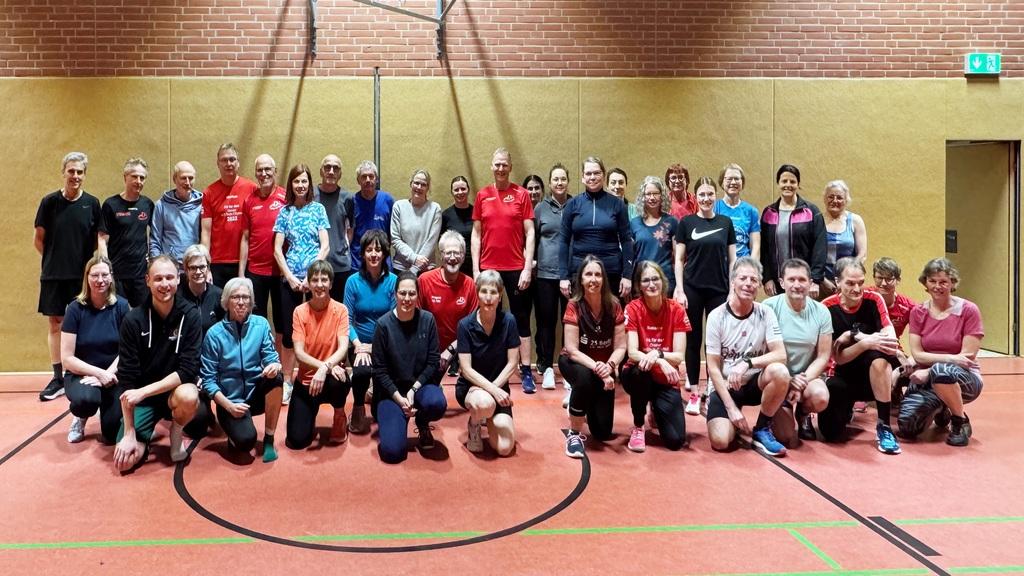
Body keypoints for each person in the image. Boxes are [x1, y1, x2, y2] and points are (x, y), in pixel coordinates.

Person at [113, 255, 203, 472]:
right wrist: (129, 433)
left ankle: (176, 431)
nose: (164, 284)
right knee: (126, 462)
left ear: (178, 279)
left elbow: (188, 370)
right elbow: (126, 379)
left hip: (172, 393)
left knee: (190, 396)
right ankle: (144, 433)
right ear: (148, 281)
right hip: (143, 400)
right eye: (158, 278)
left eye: (170, 278)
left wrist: (143, 391)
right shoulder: (133, 320)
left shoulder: (190, 315)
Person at [35, 152, 104, 402]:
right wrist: (55, 260)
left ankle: (80, 375)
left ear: (85, 175)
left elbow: (98, 240)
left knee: (83, 324)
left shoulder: (92, 204)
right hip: (53, 275)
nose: (75, 176)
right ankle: (58, 379)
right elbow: (39, 240)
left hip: (80, 277)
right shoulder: (49, 202)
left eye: (80, 172)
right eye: (71, 171)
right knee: (55, 323)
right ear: (63, 172)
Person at [705, 257, 790, 456]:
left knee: (780, 371)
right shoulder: (716, 316)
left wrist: (747, 363)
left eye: (753, 280)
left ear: (759, 285)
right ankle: (728, 414)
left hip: (754, 384)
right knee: (721, 441)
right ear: (732, 282)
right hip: (727, 386)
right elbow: (713, 367)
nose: (748, 284)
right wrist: (731, 408)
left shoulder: (766, 313)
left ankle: (762, 428)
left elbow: (780, 354)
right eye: (743, 278)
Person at [817, 257, 902, 454]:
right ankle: (846, 408)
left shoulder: (874, 299)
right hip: (842, 374)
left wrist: (854, 335)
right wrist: (866, 343)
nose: (857, 289)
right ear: (837, 282)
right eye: (850, 283)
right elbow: (838, 357)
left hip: (874, 379)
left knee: (879, 357)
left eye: (860, 283)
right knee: (830, 433)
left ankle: (884, 426)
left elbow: (890, 342)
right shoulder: (826, 308)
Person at [471, 148, 537, 393]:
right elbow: (476, 235)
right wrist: (476, 270)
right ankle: (492, 367)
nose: (500, 168)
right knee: (489, 317)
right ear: (491, 166)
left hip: (516, 268)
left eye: (504, 165)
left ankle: (526, 370)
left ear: (510, 167)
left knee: (521, 319)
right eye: (497, 164)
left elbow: (530, 232)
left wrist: (527, 267)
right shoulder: (482, 195)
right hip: (489, 268)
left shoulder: (521, 194)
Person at [898, 258, 984, 447]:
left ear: (952, 283)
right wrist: (950, 359)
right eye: (932, 281)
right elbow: (918, 354)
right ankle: (944, 407)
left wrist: (931, 370)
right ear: (925, 283)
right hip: (927, 379)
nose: (937, 286)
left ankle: (959, 421)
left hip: (963, 378)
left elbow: (967, 357)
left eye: (943, 281)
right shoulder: (918, 312)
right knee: (907, 426)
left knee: (941, 371)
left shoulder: (969, 310)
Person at [200, 277, 284, 462]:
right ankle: (235, 432)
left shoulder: (261, 324)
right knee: (246, 442)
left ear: (251, 301)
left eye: (245, 297)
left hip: (255, 393)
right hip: (230, 401)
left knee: (277, 378)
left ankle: (269, 440)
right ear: (226, 301)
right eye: (235, 297)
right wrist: (228, 406)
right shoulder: (214, 334)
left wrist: (274, 365)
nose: (240, 302)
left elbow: (271, 356)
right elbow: (208, 380)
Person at [674, 176, 736, 411]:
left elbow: (733, 260)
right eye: (702, 194)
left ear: (715, 196)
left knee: (715, 343)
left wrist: (732, 289)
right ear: (696, 196)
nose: (706, 198)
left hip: (719, 290)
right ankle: (693, 392)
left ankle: (712, 390)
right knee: (693, 341)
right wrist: (680, 289)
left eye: (710, 194)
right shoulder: (686, 223)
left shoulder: (725, 222)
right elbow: (679, 259)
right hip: (692, 289)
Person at [372, 273, 447, 463]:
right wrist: (399, 398)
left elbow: (433, 361)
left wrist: (413, 390)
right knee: (393, 453)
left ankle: (422, 421)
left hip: (419, 387)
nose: (407, 298)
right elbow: (379, 370)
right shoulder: (383, 325)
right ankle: (398, 419)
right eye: (402, 293)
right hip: (391, 394)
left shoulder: (428, 320)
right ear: (395, 294)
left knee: (437, 403)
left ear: (417, 295)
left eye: (412, 294)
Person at [273, 163, 330, 404]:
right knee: (289, 334)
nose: (300, 185)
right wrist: (290, 277)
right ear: (291, 184)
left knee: (317, 330)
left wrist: (310, 277)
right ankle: (287, 381)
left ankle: (318, 375)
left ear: (309, 184)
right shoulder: (285, 212)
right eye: (296, 181)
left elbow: (325, 246)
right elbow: (277, 249)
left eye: (304, 181)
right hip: (291, 281)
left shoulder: (318, 209)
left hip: (315, 280)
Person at [559, 256, 626, 458]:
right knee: (584, 379)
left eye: (598, 275)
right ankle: (574, 434)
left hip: (604, 366)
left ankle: (581, 399)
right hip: (575, 362)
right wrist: (600, 370)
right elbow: (572, 349)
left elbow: (621, 346)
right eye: (588, 274)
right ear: (581, 279)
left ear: (604, 279)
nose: (593, 279)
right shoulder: (574, 305)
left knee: (603, 432)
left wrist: (610, 366)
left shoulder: (614, 305)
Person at [621, 261, 690, 452]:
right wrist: (658, 359)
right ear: (639, 286)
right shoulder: (633, 308)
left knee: (676, 441)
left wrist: (657, 353)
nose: (651, 284)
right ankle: (638, 426)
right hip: (637, 375)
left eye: (655, 279)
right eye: (646, 281)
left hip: (665, 379)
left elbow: (679, 356)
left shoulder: (677, 310)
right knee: (641, 371)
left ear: (663, 281)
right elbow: (632, 352)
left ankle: (655, 407)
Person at [762, 258, 833, 445]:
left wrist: (801, 381)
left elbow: (823, 356)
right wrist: (787, 380)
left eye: (802, 280)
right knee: (786, 438)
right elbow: (762, 350)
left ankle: (803, 413)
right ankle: (776, 409)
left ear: (810, 283)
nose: (797, 285)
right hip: (778, 376)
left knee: (820, 397)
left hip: (805, 377)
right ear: (781, 282)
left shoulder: (822, 312)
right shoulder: (769, 307)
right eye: (791, 279)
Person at [62, 254, 131, 444]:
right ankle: (80, 416)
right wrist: (99, 374)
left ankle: (107, 410)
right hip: (82, 375)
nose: (100, 280)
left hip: (113, 375)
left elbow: (127, 350)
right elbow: (67, 358)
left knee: (112, 435)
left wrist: (108, 374)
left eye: (104, 275)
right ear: (87, 277)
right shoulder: (75, 309)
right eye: (94, 275)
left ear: (111, 277)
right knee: (86, 400)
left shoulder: (122, 306)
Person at [286, 260, 352, 449]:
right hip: (306, 382)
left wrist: (325, 369)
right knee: (296, 441)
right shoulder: (299, 312)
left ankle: (339, 415)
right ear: (309, 283)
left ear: (331, 284)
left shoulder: (341, 310)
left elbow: (343, 348)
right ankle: (309, 411)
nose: (320, 284)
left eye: (324, 280)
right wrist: (323, 367)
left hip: (331, 379)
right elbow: (299, 353)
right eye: (315, 280)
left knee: (340, 379)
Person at [456, 270, 520, 456]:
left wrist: (494, 390)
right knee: (485, 403)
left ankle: (488, 416)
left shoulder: (509, 321)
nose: (488, 297)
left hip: (498, 389)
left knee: (504, 449)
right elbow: (466, 370)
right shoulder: (465, 325)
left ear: (500, 296)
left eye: (493, 292)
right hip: (472, 389)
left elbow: (512, 363)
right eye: (484, 291)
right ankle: (475, 424)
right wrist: (492, 391)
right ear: (477, 294)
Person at [239, 154, 288, 385]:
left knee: (281, 323)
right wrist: (242, 274)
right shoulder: (249, 200)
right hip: (255, 272)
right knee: (256, 322)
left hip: (281, 272)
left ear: (275, 171)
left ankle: (277, 366)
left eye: (268, 169)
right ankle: (258, 365)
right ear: (255, 172)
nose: (264, 173)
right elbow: (245, 238)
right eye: (260, 170)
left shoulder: (285, 197)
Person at [559, 156, 634, 302]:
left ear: (603, 176)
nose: (592, 177)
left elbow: (626, 241)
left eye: (597, 173)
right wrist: (563, 276)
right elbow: (563, 241)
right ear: (582, 177)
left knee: (611, 315)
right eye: (588, 173)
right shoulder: (572, 205)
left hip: (611, 274)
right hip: (580, 274)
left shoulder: (617, 205)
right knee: (581, 315)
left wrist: (627, 276)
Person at [344, 230, 398, 434]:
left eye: (378, 249)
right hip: (359, 344)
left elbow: (395, 322)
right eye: (369, 250)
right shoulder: (352, 281)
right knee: (362, 370)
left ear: (384, 254)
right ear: (363, 254)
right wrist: (359, 346)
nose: (374, 254)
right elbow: (347, 320)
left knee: (379, 411)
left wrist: (374, 347)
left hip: (386, 345)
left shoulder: (394, 281)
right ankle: (358, 406)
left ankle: (375, 394)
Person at [760, 164, 827, 299]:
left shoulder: (811, 211)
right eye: (784, 181)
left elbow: (820, 247)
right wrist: (767, 278)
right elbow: (764, 249)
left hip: (803, 282)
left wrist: (815, 279)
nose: (788, 185)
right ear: (778, 183)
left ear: (798, 184)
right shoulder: (769, 213)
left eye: (792, 181)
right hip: (777, 283)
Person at [533, 163, 572, 393]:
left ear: (568, 181)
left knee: (569, 323)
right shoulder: (540, 208)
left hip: (570, 275)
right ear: (549, 183)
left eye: (563, 179)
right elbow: (532, 237)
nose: (559, 183)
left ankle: (567, 369)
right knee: (546, 323)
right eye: (555, 179)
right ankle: (547, 366)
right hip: (545, 275)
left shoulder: (576, 205)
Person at [418, 231, 478, 378]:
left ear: (463, 256)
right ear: (441, 255)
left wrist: (451, 349)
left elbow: (471, 328)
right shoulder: (424, 280)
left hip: (461, 349)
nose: (452, 258)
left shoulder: (470, 284)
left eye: (457, 253)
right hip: (428, 350)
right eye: (448, 253)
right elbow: (416, 321)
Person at [100, 157, 154, 307]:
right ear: (125, 177)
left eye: (142, 178)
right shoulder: (110, 204)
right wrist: (106, 269)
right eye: (134, 176)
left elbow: (155, 235)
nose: (138, 181)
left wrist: (152, 260)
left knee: (142, 314)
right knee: (117, 314)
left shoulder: (147, 204)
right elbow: (102, 239)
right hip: (117, 274)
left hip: (140, 275)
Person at [202, 143, 258, 287]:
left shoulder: (252, 188)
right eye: (224, 160)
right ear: (218, 163)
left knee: (244, 301)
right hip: (217, 262)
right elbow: (206, 232)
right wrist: (206, 266)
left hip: (246, 261)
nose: (228, 163)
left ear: (238, 162)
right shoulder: (209, 192)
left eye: (232, 159)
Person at [314, 154, 354, 300]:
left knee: (338, 309)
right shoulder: (310, 195)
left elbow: (350, 230)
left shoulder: (347, 198)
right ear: (321, 171)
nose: (331, 171)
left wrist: (340, 250)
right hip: (316, 265)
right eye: (327, 167)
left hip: (340, 267)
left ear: (340, 174)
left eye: (335, 168)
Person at [150, 161, 203, 268]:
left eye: (191, 178)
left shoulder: (202, 205)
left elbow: (206, 239)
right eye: (183, 178)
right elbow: (155, 241)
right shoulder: (161, 205)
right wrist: (157, 266)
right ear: (174, 179)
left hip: (194, 267)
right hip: (170, 268)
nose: (187, 182)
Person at [821, 180, 868, 298]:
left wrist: (845, 280)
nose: (835, 200)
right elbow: (810, 256)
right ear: (825, 199)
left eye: (839, 197)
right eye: (831, 197)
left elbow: (862, 254)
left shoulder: (855, 221)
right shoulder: (817, 220)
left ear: (846, 200)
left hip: (849, 284)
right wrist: (822, 280)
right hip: (822, 284)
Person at [631, 176, 677, 295]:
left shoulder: (672, 222)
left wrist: (679, 286)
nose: (652, 197)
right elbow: (631, 256)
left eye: (655, 193)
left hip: (666, 282)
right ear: (643, 197)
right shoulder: (634, 223)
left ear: (662, 196)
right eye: (648, 194)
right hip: (642, 282)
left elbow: (677, 258)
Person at [345, 160, 394, 271]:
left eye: (371, 176)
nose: (368, 180)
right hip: (357, 264)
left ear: (376, 179)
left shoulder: (388, 200)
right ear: (358, 180)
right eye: (364, 177)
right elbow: (348, 233)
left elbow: (393, 233)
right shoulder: (352, 202)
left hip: (383, 264)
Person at [391, 168, 442, 274]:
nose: (419, 187)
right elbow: (395, 239)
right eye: (416, 183)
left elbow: (432, 241)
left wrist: (414, 269)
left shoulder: (435, 209)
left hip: (426, 269)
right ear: (411, 184)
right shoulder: (399, 206)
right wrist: (414, 258)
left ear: (428, 188)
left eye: (423, 184)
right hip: (401, 268)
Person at [714, 163, 760, 259]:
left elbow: (755, 247)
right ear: (722, 182)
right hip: (720, 264)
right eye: (729, 179)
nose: (733, 182)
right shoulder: (714, 208)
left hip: (743, 265)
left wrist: (752, 266)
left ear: (742, 183)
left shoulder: (751, 211)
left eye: (737, 179)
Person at [181, 244, 225, 335]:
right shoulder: (178, 296)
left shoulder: (219, 295)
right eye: (193, 268)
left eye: (202, 267)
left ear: (208, 268)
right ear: (186, 270)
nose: (198, 272)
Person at [440, 175, 474, 276]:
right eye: (456, 190)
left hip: (475, 265)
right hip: (453, 265)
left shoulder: (476, 213)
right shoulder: (446, 215)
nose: (460, 192)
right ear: (452, 192)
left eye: (463, 189)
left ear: (468, 190)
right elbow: (441, 244)